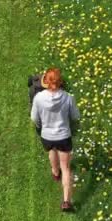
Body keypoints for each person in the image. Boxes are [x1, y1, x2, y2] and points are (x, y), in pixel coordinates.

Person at [30, 67, 80, 211]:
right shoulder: (68, 97)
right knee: (67, 167)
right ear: (60, 82)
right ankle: (66, 201)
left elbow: (34, 118)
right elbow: (75, 116)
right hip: (64, 135)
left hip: (47, 135)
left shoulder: (38, 98)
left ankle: (55, 172)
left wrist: (41, 126)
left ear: (45, 81)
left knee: (51, 151)